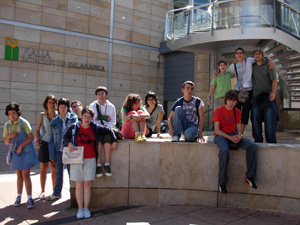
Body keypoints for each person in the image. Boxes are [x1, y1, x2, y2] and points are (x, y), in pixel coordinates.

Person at [64, 106, 117, 219]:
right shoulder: (74, 127)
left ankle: (86, 208)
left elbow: (109, 130)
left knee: (87, 184)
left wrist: (114, 140)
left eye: (89, 117)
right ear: (81, 116)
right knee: (79, 184)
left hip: (90, 158)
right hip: (76, 159)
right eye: (85, 116)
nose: (87, 119)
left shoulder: (95, 127)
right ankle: (80, 208)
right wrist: (69, 143)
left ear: (92, 118)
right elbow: (65, 137)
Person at [212, 90, 258, 194]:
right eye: (229, 100)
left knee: (252, 146)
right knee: (224, 151)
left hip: (232, 135)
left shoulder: (237, 112)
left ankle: (250, 177)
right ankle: (222, 183)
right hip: (221, 136)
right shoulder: (219, 110)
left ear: (236, 102)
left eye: (233, 101)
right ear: (226, 100)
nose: (231, 103)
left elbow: (237, 129)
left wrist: (239, 136)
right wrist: (231, 138)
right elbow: (216, 130)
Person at [3, 102, 39, 209]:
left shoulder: (24, 123)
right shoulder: (7, 125)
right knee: (18, 175)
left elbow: (31, 137)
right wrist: (9, 136)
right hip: (15, 153)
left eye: (13, 113)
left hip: (26, 151)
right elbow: (5, 141)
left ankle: (29, 198)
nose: (12, 115)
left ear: (18, 112)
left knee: (26, 175)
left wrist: (21, 145)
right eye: (9, 113)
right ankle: (18, 196)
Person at [48, 98, 78, 200]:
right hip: (59, 150)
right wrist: (52, 155)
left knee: (71, 172)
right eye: (60, 107)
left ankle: (73, 194)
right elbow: (51, 139)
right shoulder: (54, 121)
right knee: (58, 173)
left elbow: (76, 134)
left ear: (68, 108)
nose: (62, 109)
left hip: (70, 150)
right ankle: (57, 193)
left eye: (64, 107)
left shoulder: (73, 118)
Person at [251, 47, 278, 143]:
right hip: (256, 96)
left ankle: (271, 142)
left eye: (259, 54)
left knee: (270, 120)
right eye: (255, 54)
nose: (257, 55)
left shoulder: (269, 65)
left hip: (268, 96)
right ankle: (258, 141)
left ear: (262, 55)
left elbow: (274, 80)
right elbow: (240, 61)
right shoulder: (252, 65)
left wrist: (273, 92)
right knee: (255, 119)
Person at [89, 86, 117, 177]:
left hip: (108, 129)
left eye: (103, 94)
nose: (101, 96)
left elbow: (113, 121)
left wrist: (107, 126)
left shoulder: (111, 106)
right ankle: (98, 165)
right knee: (98, 139)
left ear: (107, 95)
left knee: (107, 139)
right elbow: (91, 119)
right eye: (99, 94)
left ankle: (107, 164)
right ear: (96, 96)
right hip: (96, 129)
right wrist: (99, 126)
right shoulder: (92, 106)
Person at [35, 94, 58, 200]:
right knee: (44, 167)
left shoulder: (59, 115)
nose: (52, 105)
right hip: (44, 143)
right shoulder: (42, 115)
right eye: (50, 102)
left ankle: (54, 190)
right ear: (46, 104)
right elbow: (37, 129)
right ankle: (43, 191)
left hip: (55, 145)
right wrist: (38, 141)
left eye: (53, 103)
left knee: (54, 168)